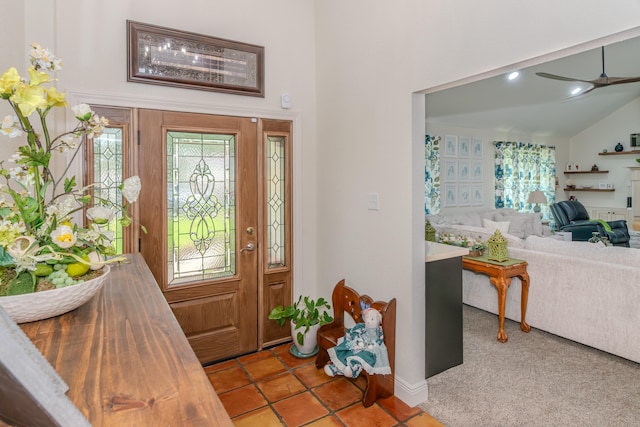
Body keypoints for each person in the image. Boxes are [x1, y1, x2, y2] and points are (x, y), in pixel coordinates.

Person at [323, 307, 391, 378]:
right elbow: (355, 330)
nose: (368, 321)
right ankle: (335, 368)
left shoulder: (378, 330)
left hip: (369, 346)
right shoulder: (363, 326)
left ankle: (353, 369)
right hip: (360, 342)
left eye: (372, 319)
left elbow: (379, 340)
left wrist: (372, 345)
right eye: (367, 318)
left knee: (361, 356)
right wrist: (356, 336)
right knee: (348, 350)